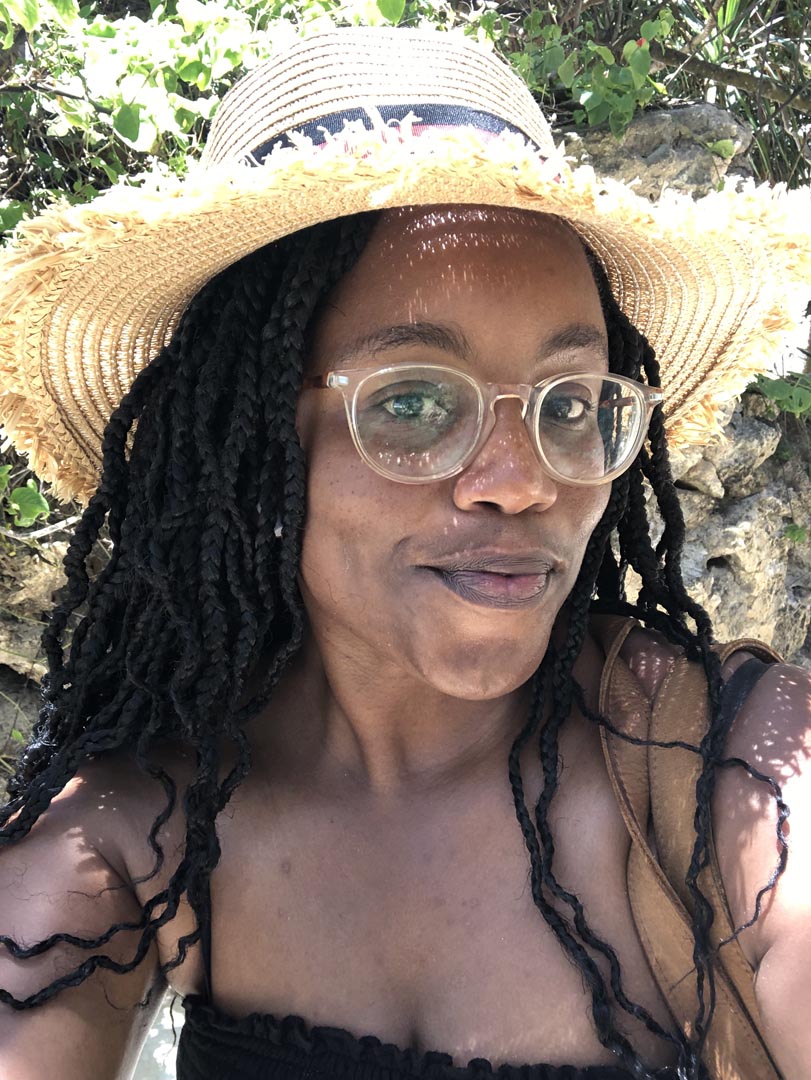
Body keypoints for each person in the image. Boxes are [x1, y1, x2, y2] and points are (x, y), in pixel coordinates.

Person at [0, 25, 809, 1080]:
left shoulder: (734, 774)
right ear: (258, 447)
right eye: (415, 402)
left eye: (571, 403)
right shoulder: (147, 825)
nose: (521, 481)